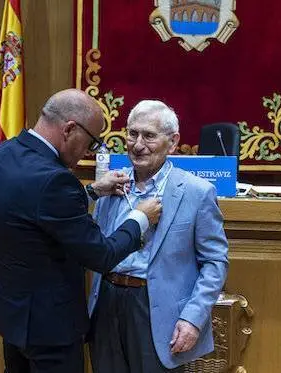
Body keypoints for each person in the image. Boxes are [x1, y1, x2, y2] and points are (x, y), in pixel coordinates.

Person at [0, 89, 162, 373]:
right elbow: (101, 255)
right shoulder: (55, 180)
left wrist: (90, 192)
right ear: (69, 130)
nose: (88, 151)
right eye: (91, 142)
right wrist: (140, 218)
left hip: (13, 317)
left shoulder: (3, 154)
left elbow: (34, 210)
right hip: (51, 329)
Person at [88, 100, 229, 372]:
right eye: (132, 133)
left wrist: (193, 318)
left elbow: (215, 262)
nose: (137, 144)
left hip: (156, 310)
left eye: (149, 136)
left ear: (173, 142)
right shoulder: (113, 186)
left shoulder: (196, 192)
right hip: (107, 303)